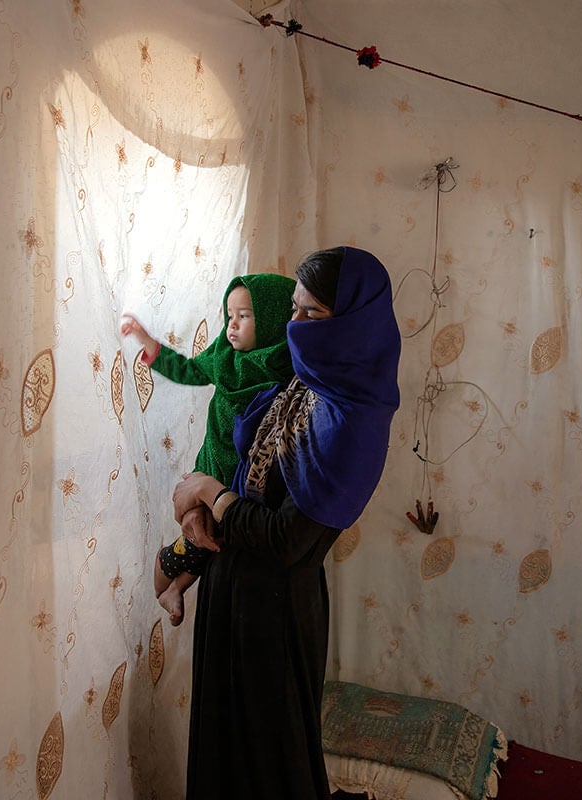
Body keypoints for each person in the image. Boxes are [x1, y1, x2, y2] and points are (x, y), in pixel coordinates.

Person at [171, 246, 402, 799]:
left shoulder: (351, 420)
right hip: (235, 588)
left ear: (353, 321)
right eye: (292, 311)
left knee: (271, 757)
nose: (294, 327)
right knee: (226, 747)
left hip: (274, 607)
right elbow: (252, 471)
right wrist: (203, 508)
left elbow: (287, 540)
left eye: (312, 315)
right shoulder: (306, 382)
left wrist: (206, 490)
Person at [120, 272, 296, 626]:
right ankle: (173, 578)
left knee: (219, 537)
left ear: (274, 317)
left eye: (244, 316)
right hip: (215, 460)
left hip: (249, 474)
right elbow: (188, 370)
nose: (232, 326)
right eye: (229, 316)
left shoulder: (288, 364)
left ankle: (176, 587)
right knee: (203, 530)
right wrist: (147, 341)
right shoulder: (223, 355)